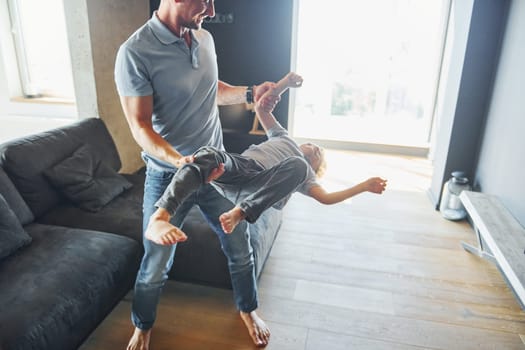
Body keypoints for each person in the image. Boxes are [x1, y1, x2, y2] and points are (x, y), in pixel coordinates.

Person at [114, 0, 279, 348]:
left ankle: (248, 309)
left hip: (217, 169)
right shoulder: (135, 52)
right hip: (168, 178)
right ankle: (143, 325)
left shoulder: (204, 38)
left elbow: (212, 89)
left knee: (239, 245)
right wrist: (180, 161)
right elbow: (140, 126)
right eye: (204, 1)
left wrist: (251, 94)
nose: (213, 10)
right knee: (156, 261)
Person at [145, 72, 388, 247]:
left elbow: (326, 198)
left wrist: (364, 186)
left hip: (258, 188)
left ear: (316, 168)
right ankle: (160, 217)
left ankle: (241, 212)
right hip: (238, 169)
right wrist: (285, 83)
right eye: (315, 146)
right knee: (207, 154)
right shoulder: (283, 136)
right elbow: (263, 109)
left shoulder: (304, 173)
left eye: (318, 156)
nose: (315, 149)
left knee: (297, 166)